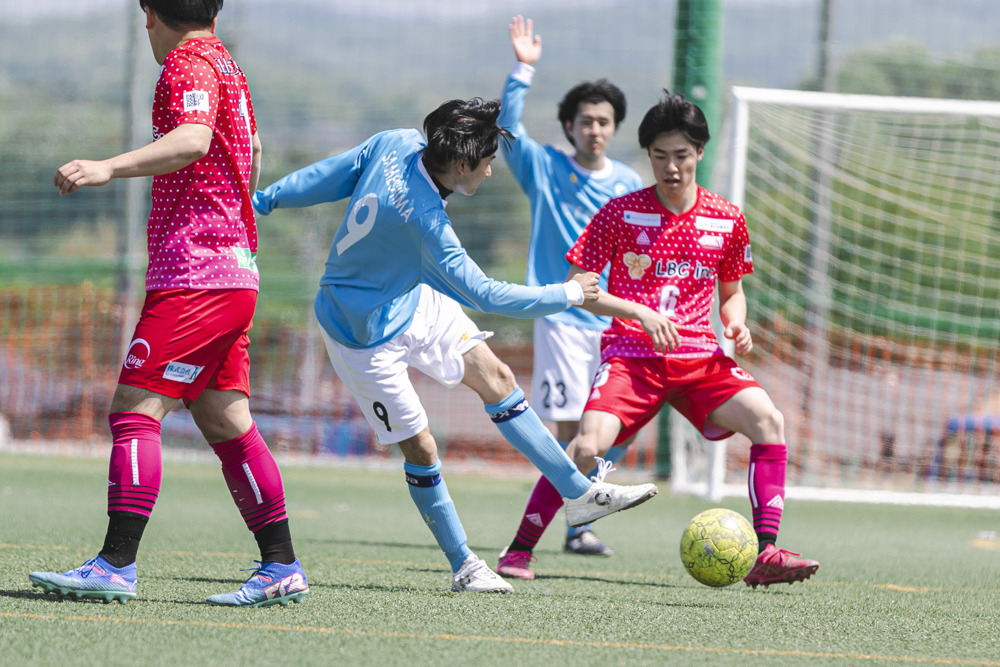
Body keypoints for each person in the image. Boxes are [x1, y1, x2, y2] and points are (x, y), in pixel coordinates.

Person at [251, 97, 658, 593]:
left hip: (409, 297)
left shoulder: (397, 141)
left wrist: (265, 199)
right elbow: (487, 293)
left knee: (498, 377)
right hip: (361, 335)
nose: (489, 174)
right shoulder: (427, 225)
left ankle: (579, 493)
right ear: (462, 163)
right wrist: (569, 293)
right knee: (421, 449)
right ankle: (465, 565)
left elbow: (334, 174)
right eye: (487, 163)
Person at [28, 0, 308, 608]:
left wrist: (106, 166)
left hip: (196, 276)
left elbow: (192, 139)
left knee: (134, 408)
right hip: (233, 272)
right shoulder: (227, 63)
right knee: (226, 420)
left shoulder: (185, 62)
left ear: (148, 13)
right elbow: (251, 150)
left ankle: (115, 565)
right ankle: (281, 565)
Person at [497, 91, 821, 587]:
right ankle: (519, 550)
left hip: (700, 361)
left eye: (682, 155)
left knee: (768, 419)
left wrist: (736, 322)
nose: (671, 167)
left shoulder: (727, 218)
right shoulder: (620, 213)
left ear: (700, 154)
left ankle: (767, 552)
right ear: (648, 156)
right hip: (631, 359)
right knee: (585, 447)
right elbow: (578, 288)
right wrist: (638, 313)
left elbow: (732, 293)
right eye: (660, 156)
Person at [495, 17, 646, 573]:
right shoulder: (545, 167)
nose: (596, 130)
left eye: (605, 122)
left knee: (606, 430)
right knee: (566, 430)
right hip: (561, 315)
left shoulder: (629, 184)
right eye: (586, 121)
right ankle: (573, 527)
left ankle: (577, 518)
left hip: (613, 325)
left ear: (614, 127)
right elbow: (507, 128)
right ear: (569, 126)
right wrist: (523, 68)